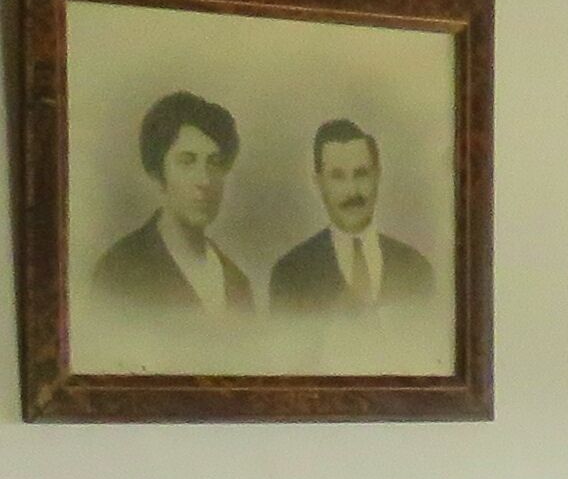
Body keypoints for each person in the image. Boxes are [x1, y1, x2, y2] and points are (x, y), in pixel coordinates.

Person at [89, 92, 253, 315]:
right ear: (158, 173)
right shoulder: (119, 271)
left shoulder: (237, 282)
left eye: (215, 163)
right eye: (187, 161)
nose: (204, 180)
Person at [267, 119, 434, 314]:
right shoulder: (291, 274)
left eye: (361, 174)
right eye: (337, 176)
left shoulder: (416, 268)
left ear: (377, 176)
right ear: (319, 183)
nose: (352, 191)